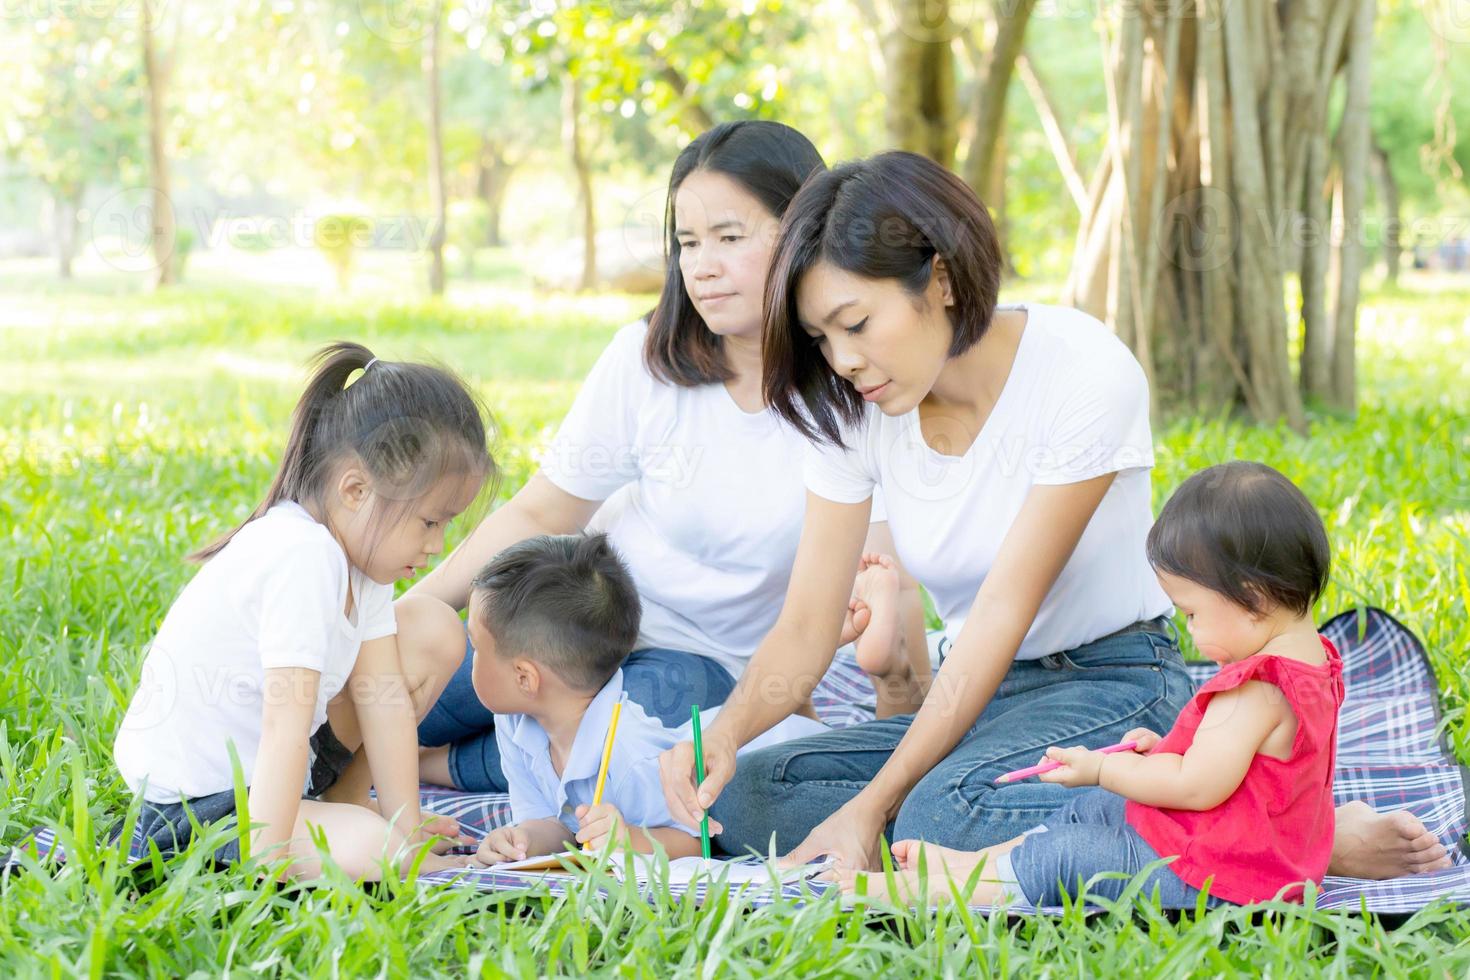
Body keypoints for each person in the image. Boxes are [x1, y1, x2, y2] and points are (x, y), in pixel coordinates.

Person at [659, 151, 1452, 881]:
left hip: (1112, 682)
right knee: (751, 794)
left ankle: (1287, 832)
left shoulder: (1080, 371)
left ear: (940, 278)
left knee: (943, 812)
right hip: (976, 697)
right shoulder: (856, 409)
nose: (843, 360)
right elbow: (806, 624)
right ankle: (1219, 823)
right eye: (819, 337)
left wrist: (871, 807)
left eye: (857, 324)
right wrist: (724, 736)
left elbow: (1004, 613)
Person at [404, 121, 929, 796]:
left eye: (730, 238)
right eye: (687, 243)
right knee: (408, 688)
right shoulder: (645, 359)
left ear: (804, 234)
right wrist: (418, 608)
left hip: (702, 664)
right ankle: (379, 756)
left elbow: (890, 580)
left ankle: (439, 769)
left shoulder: (855, 393)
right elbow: (542, 508)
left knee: (618, 750)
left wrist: (900, 701)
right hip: (578, 617)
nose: (702, 266)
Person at [836, 462, 1343, 907]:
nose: (1189, 628)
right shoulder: (1314, 663)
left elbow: (1195, 785)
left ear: (1252, 598)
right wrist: (1167, 747)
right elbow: (1246, 765)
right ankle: (977, 862)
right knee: (1101, 810)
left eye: (1192, 612)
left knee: (1070, 856)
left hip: (1221, 875)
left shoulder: (1256, 686)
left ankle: (926, 890)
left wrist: (1103, 767)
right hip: (1249, 854)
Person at [114, 343, 490, 879]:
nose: (437, 544)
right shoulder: (302, 556)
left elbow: (382, 701)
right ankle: (316, 834)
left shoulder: (365, 557)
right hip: (196, 807)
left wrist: (404, 824)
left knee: (433, 629)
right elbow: (283, 722)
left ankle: (343, 810)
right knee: (372, 852)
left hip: (272, 774)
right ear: (356, 489)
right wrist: (267, 866)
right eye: (431, 522)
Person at [467, 534, 825, 865]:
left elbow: (698, 838)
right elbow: (554, 824)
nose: (470, 658)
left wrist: (632, 840)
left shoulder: (635, 758)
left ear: (525, 678)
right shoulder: (515, 723)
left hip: (799, 764)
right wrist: (520, 839)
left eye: (476, 646)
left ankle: (810, 701)